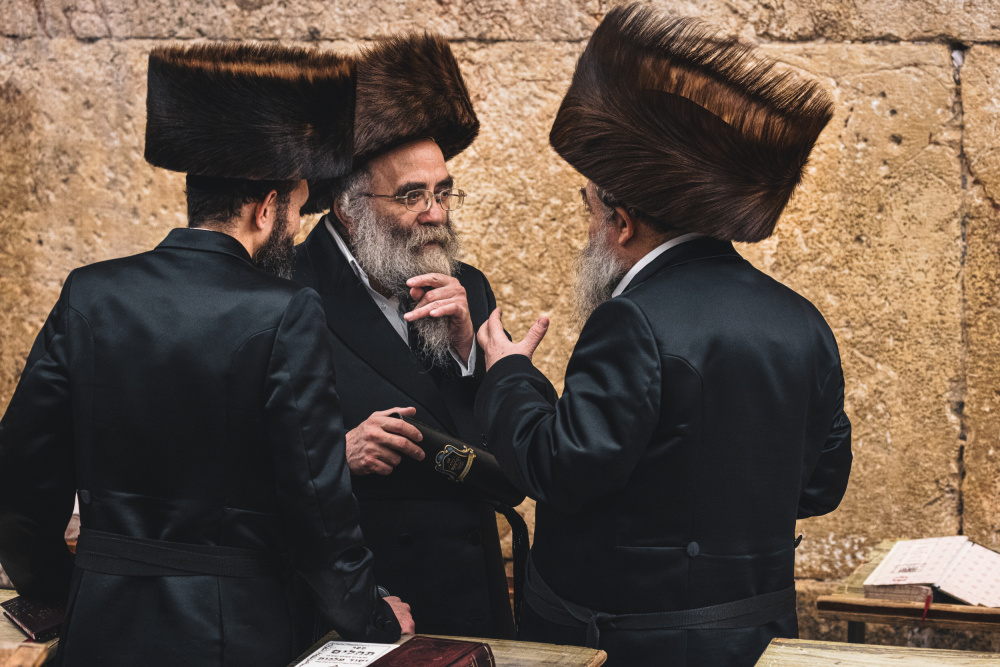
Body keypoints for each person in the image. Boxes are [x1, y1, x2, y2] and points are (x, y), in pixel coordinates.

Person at [0, 43, 412, 666]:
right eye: (296, 209)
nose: (295, 228)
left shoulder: (89, 293)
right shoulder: (286, 311)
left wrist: (65, 589)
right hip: (234, 636)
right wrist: (370, 617)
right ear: (266, 207)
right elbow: (318, 509)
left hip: (97, 630)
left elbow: (20, 481)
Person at [473, 5, 853, 666]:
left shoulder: (632, 321)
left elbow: (561, 469)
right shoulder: (802, 320)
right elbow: (821, 484)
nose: (588, 227)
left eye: (589, 208)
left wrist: (509, 374)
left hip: (634, 648)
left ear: (622, 221)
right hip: (758, 642)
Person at [293, 33, 518, 639]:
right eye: (412, 195)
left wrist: (470, 351)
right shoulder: (287, 290)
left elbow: (502, 452)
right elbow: (238, 464)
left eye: (442, 191)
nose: (436, 213)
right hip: (366, 594)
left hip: (470, 587)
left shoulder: (468, 286)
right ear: (347, 206)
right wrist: (336, 455)